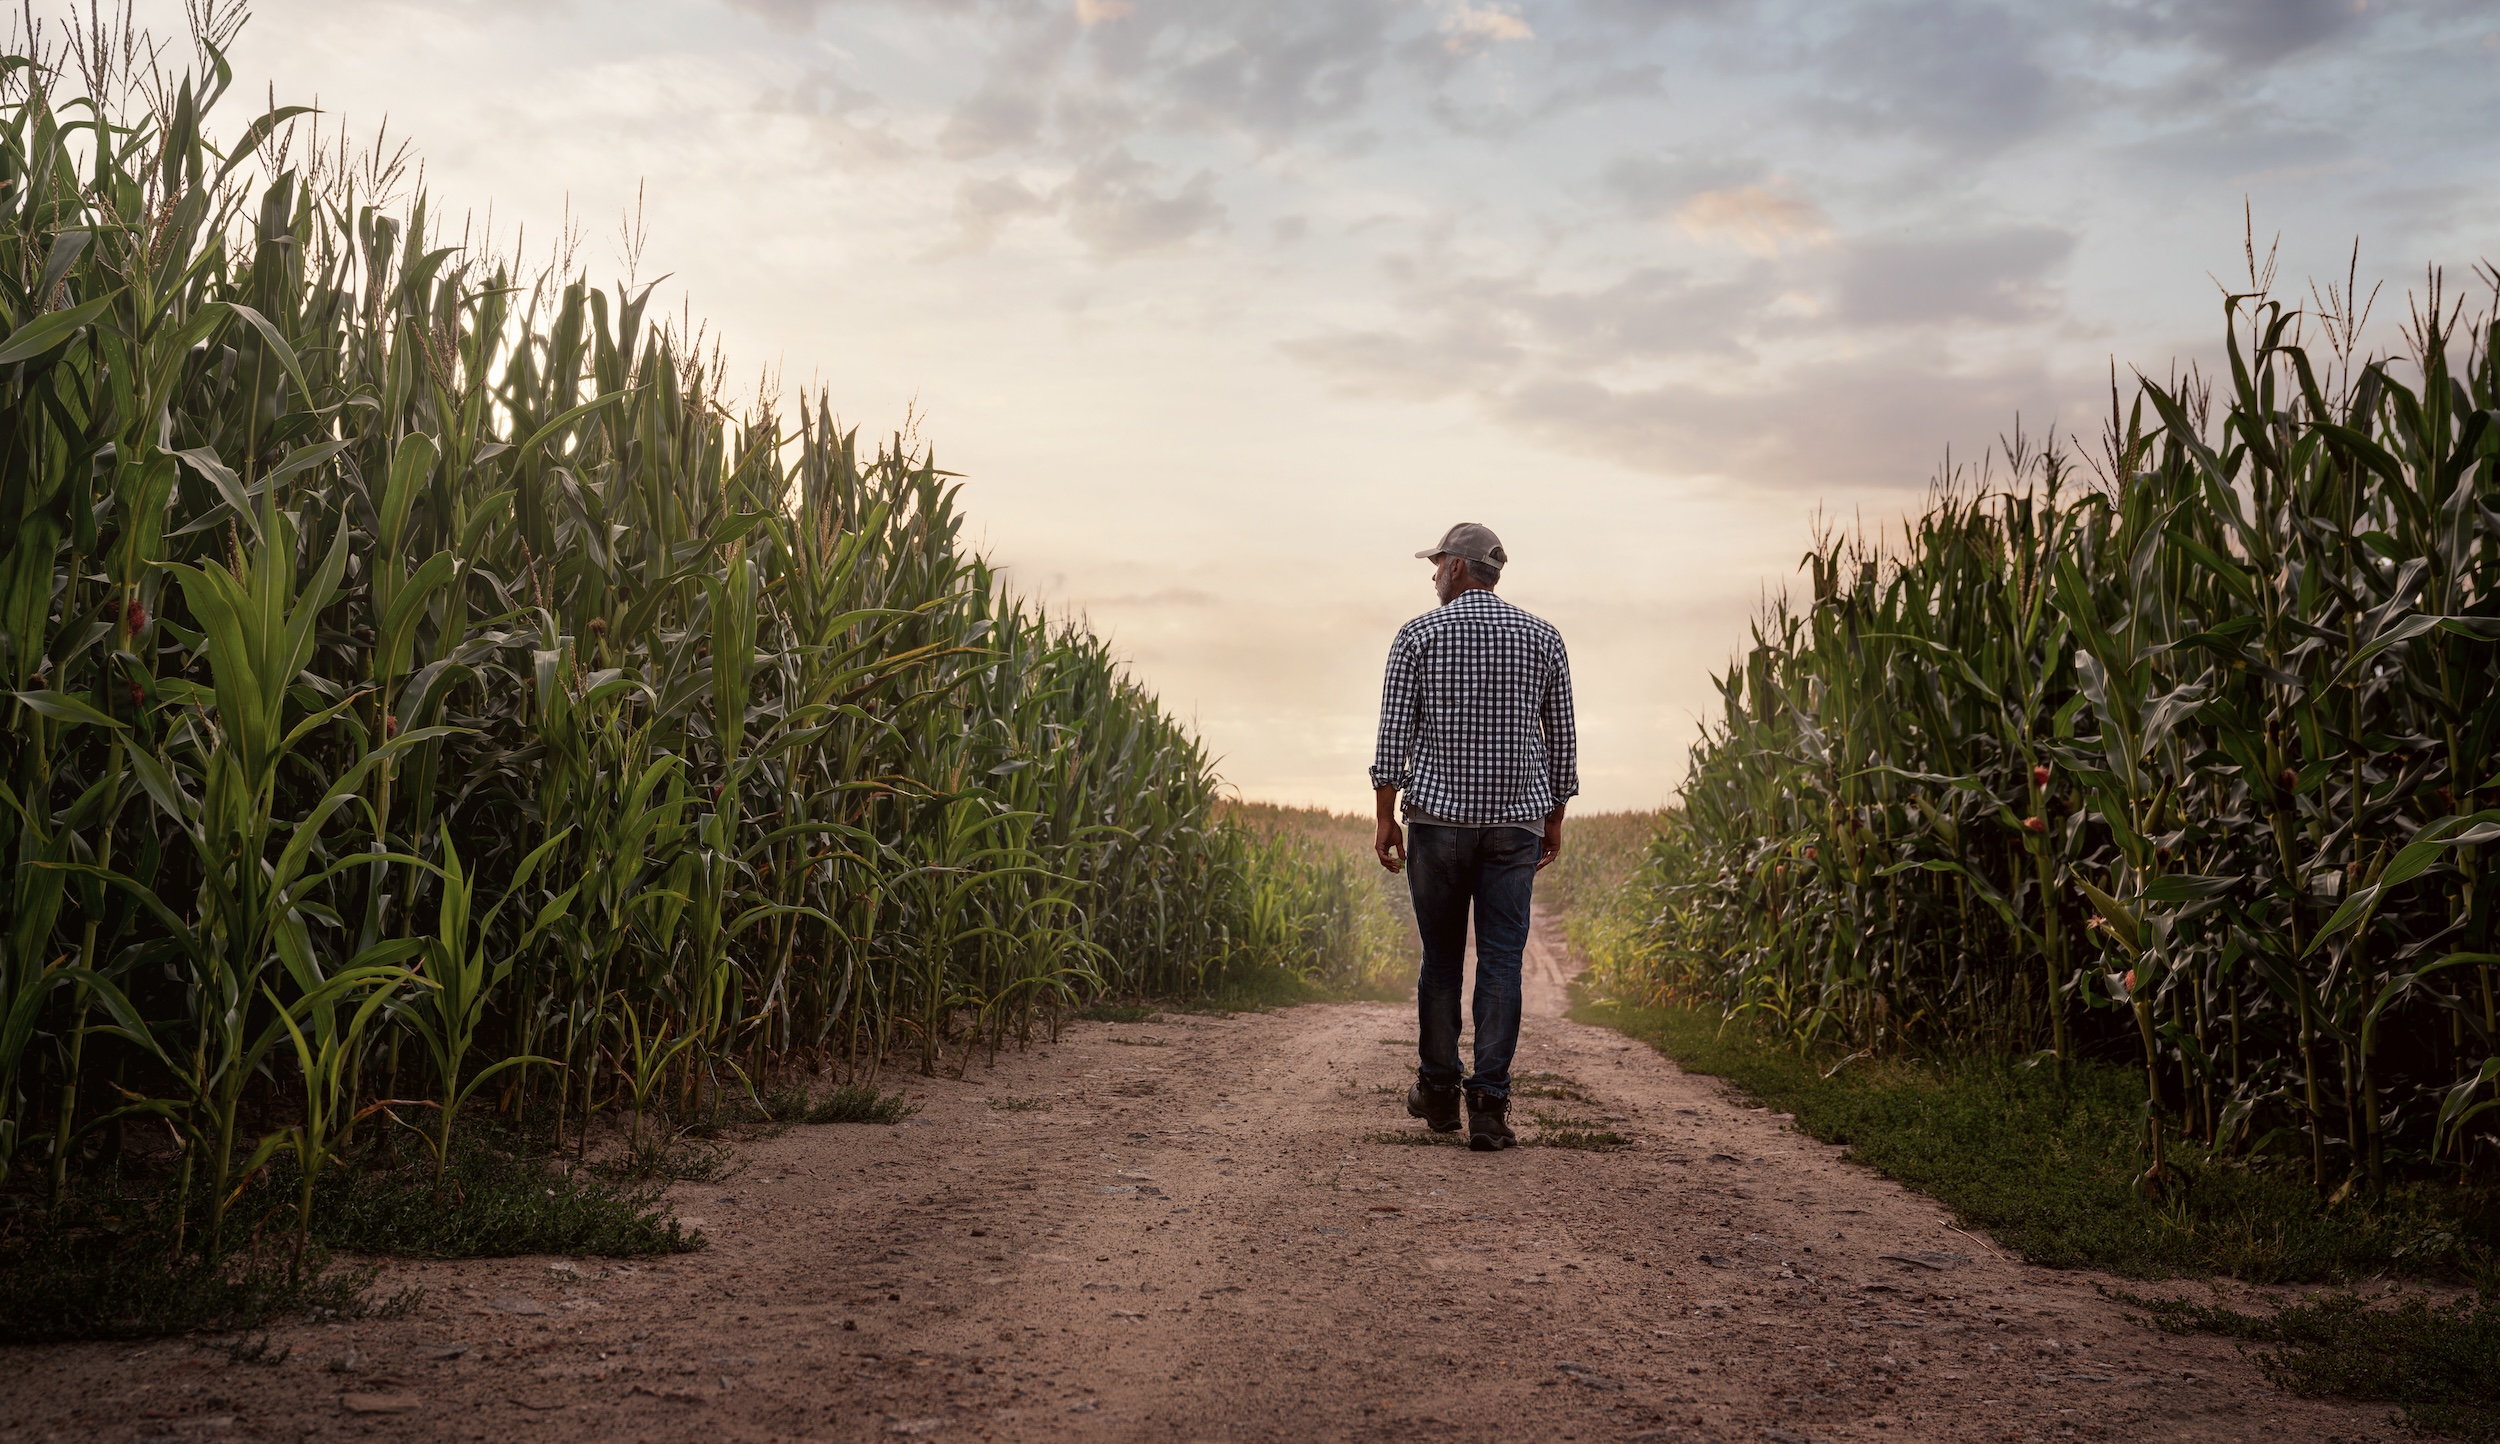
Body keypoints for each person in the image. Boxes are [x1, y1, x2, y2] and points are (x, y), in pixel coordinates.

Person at [1368, 522, 1577, 1151]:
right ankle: (1487, 1104)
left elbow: (1393, 735)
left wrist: (1385, 814)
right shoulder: (1544, 638)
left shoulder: (1417, 635)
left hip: (1437, 825)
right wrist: (1554, 817)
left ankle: (1437, 1091)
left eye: (1436, 565)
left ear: (1458, 568)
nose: (1433, 575)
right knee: (1502, 963)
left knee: (1440, 959)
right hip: (1515, 824)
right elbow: (1561, 740)